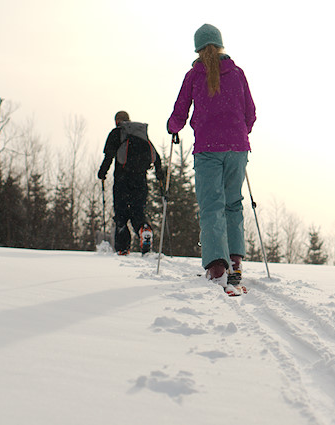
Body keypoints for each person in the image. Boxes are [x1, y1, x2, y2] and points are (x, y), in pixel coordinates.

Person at [167, 24, 256, 296]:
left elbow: (180, 112)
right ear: (220, 45)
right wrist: (239, 132)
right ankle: (235, 260)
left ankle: (218, 265)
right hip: (237, 147)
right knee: (233, 203)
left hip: (208, 149)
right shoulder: (237, 73)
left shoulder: (194, 75)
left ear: (198, 48)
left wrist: (173, 128)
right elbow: (250, 112)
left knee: (211, 205)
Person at [98, 111, 165, 255]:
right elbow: (156, 158)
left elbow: (108, 156)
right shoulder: (141, 135)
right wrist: (160, 176)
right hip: (140, 179)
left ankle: (123, 248)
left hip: (122, 179)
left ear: (117, 121)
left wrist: (102, 173)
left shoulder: (116, 133)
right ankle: (144, 229)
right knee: (138, 211)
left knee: (121, 213)